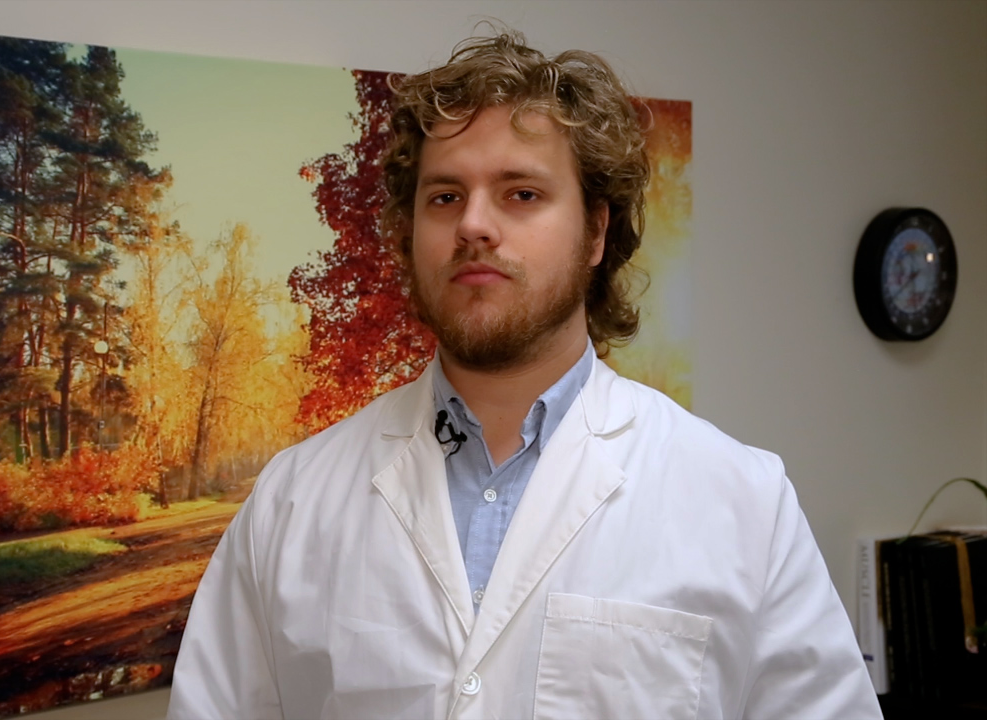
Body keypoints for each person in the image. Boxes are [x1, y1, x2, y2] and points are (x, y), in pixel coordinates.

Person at [167, 29, 882, 720]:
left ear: (596, 231)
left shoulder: (741, 501)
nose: (473, 224)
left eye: (521, 194)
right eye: (445, 197)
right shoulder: (293, 501)